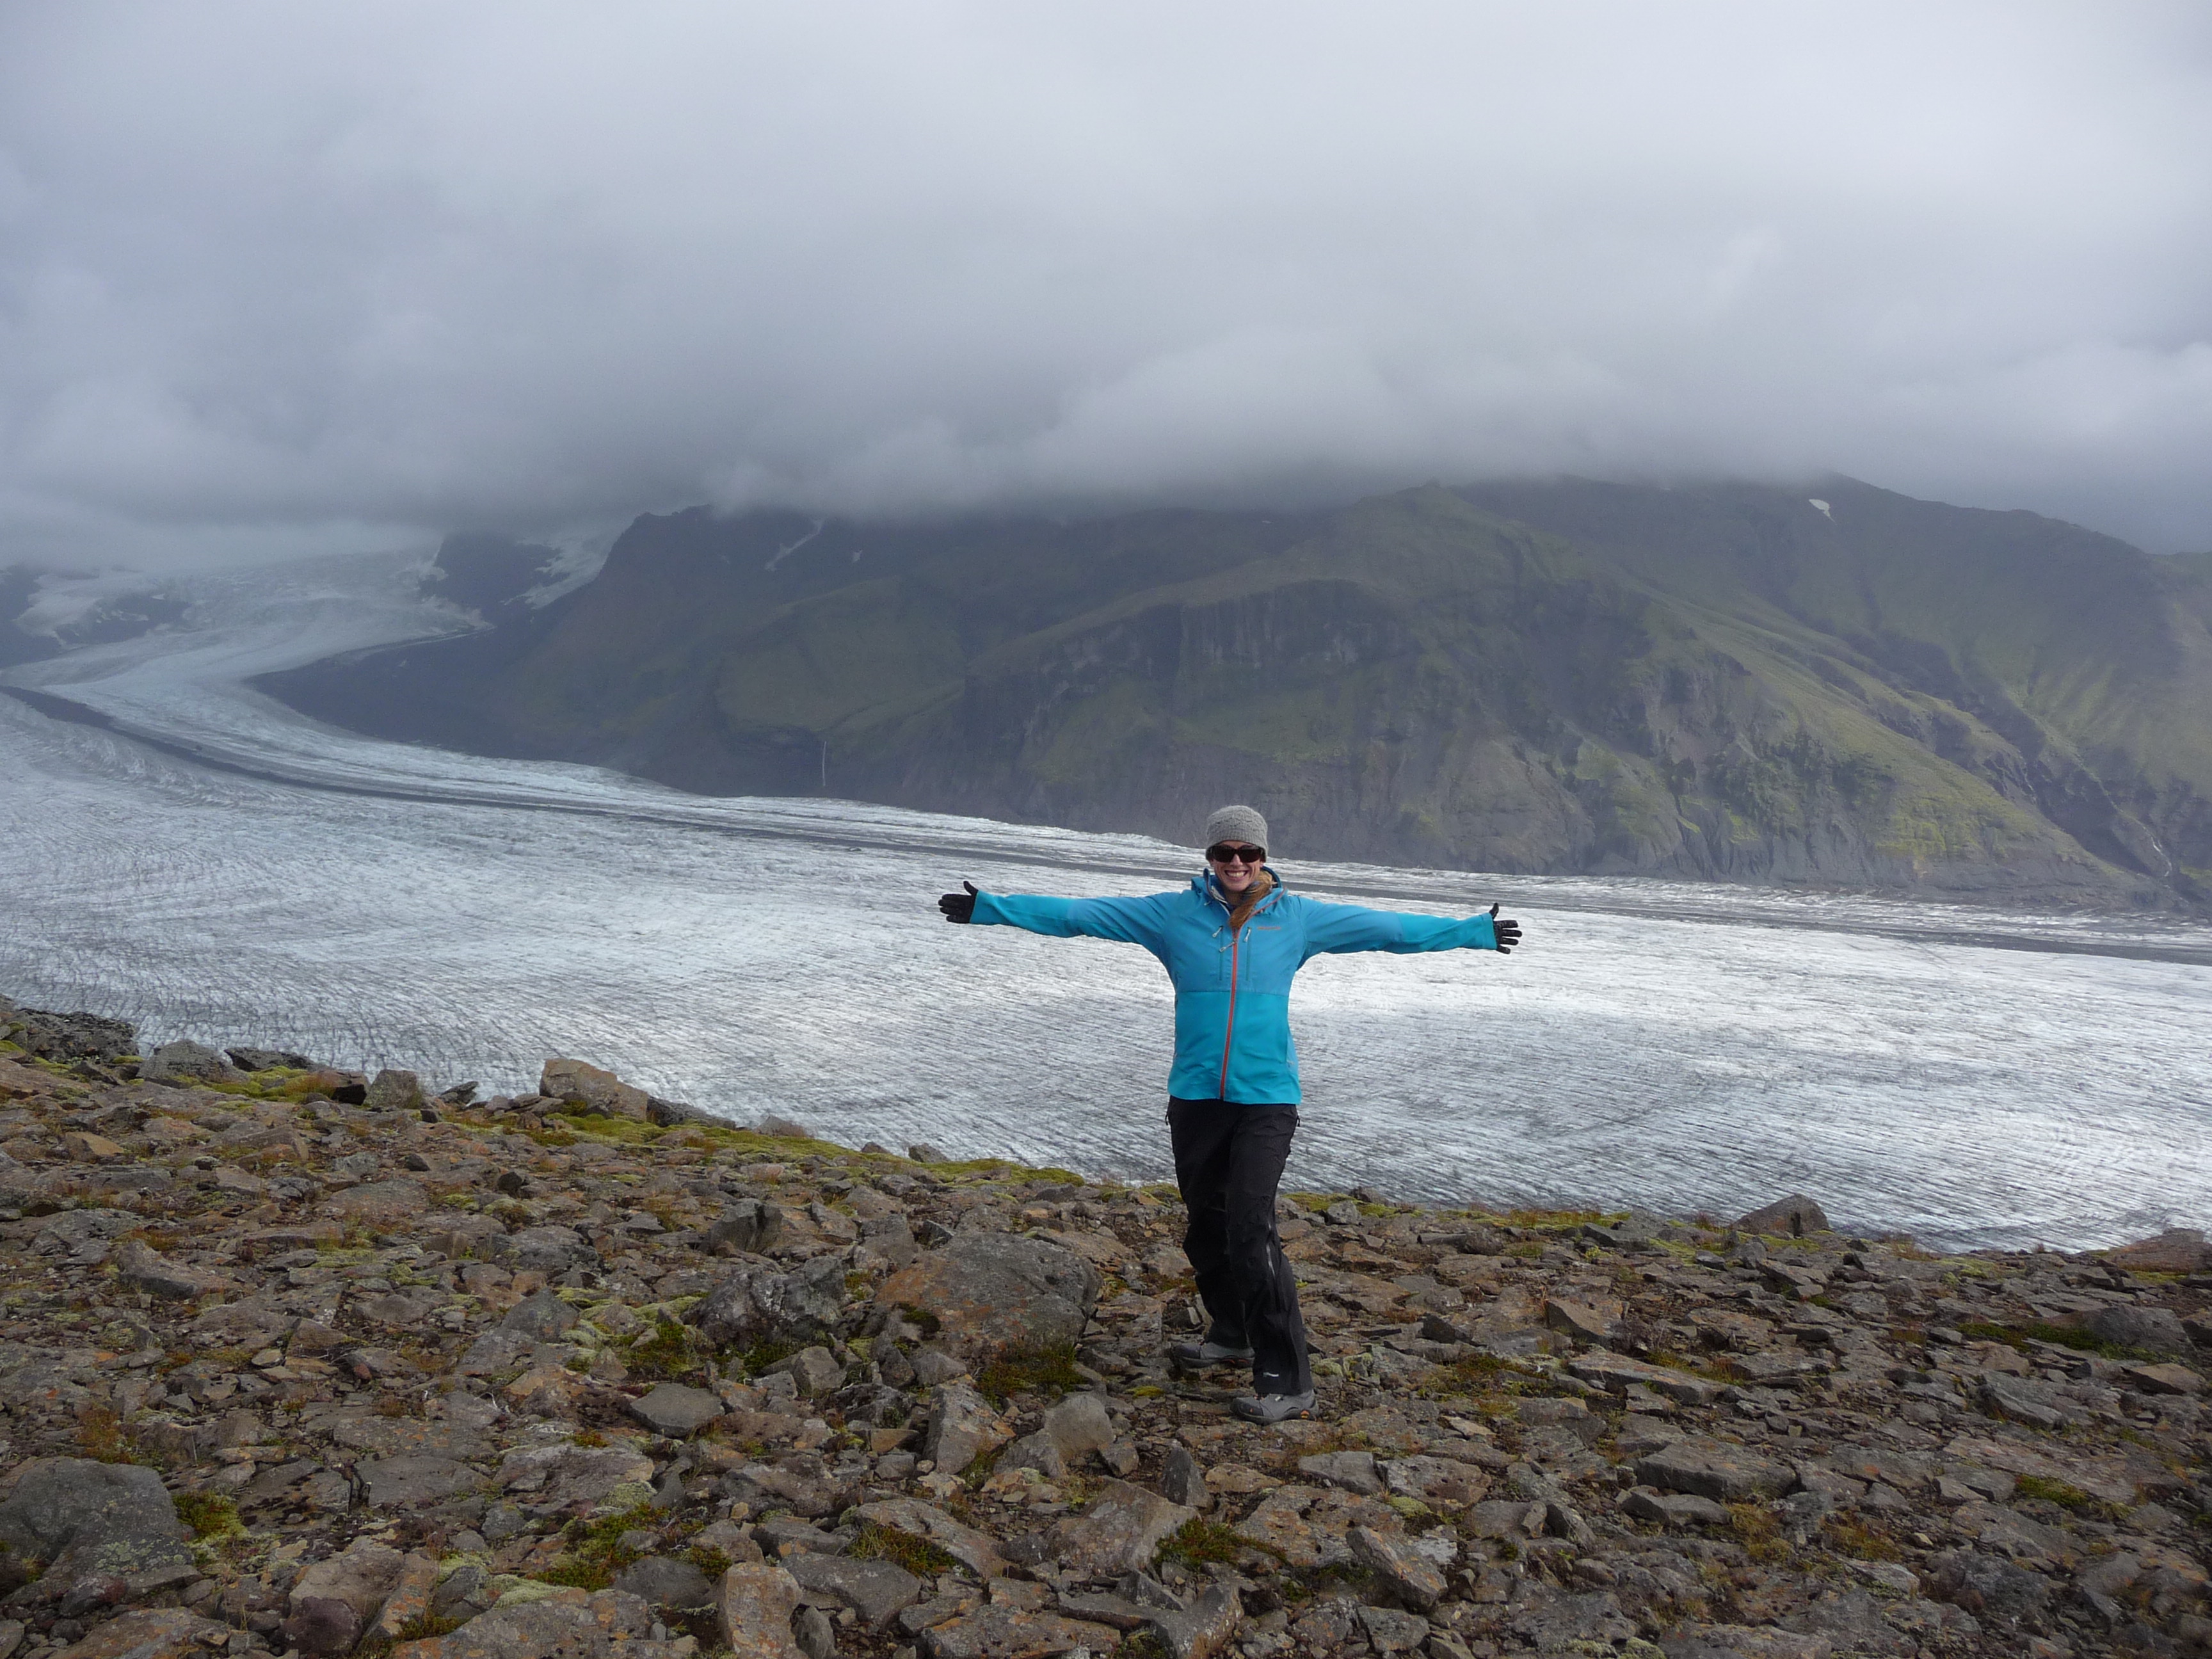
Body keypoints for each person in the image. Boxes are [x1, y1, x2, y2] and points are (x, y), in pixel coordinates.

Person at [936, 804, 1523, 1423]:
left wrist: (1471, 931)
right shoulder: (1172, 915)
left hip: (1267, 1099)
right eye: (1225, 854)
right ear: (1209, 859)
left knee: (1251, 1229)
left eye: (1250, 854)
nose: (1238, 863)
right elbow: (1081, 916)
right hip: (1195, 1098)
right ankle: (1232, 1331)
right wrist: (991, 907)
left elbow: (1389, 930)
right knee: (1204, 1226)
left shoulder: (1296, 919)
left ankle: (1288, 1377)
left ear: (1265, 859)